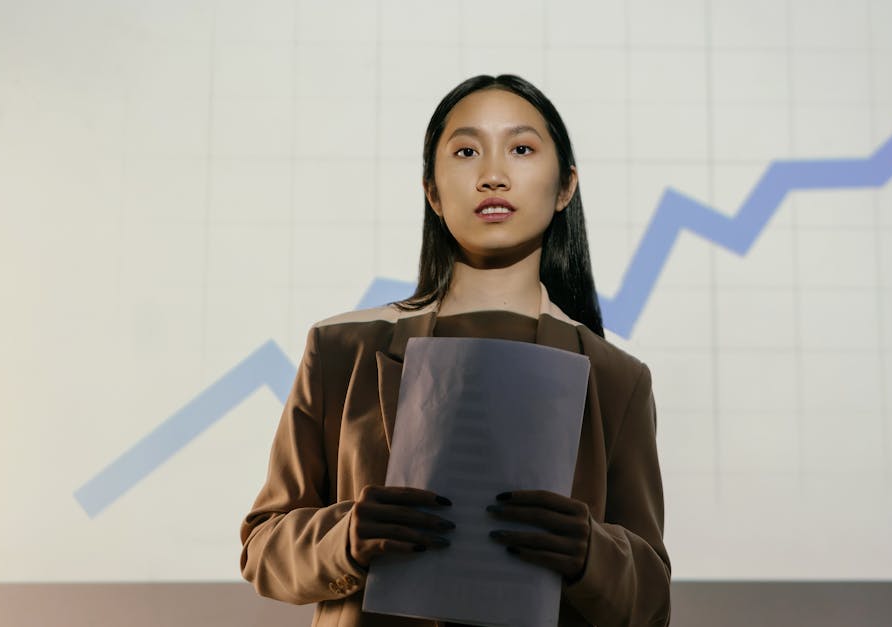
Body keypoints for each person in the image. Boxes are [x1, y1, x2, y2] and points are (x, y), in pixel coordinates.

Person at [239, 74, 671, 627]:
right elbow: (263, 547)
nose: (493, 175)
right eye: (466, 151)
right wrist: (345, 536)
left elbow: (653, 598)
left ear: (565, 187)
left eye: (521, 149)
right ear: (432, 191)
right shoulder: (339, 350)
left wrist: (592, 553)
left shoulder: (617, 380)